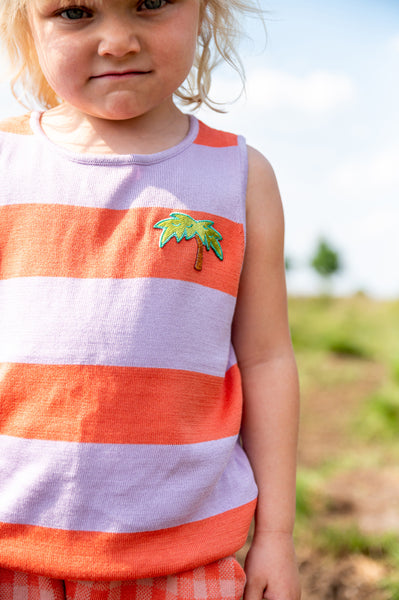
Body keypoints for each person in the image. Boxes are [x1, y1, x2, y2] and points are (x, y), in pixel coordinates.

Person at [0, 1, 301, 599]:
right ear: (26, 25)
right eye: (76, 11)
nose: (117, 40)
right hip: (12, 549)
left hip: (186, 557)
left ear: (204, 13)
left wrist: (278, 536)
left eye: (150, 3)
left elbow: (267, 359)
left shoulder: (240, 177)